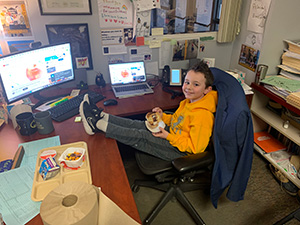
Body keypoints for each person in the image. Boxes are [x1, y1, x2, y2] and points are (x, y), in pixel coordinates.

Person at [79, 61, 218, 161]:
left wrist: (168, 137)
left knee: (142, 135)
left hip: (180, 152)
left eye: (196, 84)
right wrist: (162, 116)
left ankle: (97, 124)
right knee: (140, 124)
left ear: (207, 90)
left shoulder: (203, 116)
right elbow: (178, 120)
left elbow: (196, 149)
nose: (188, 87)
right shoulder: (189, 102)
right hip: (173, 135)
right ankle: (102, 116)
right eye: (187, 82)